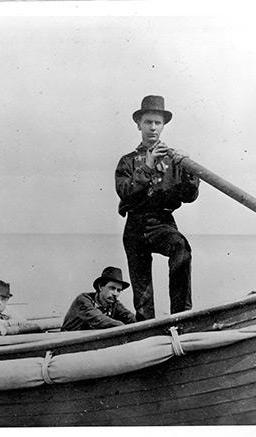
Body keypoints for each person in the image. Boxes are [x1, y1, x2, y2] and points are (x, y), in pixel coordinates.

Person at [115, 95, 199, 321]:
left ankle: (181, 319)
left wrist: (189, 170)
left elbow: (189, 196)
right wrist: (148, 166)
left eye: (157, 123)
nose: (152, 127)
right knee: (142, 294)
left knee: (181, 248)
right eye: (148, 122)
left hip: (161, 223)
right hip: (134, 225)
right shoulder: (127, 161)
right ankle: (146, 332)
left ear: (163, 126)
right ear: (138, 125)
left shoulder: (174, 160)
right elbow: (125, 192)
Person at [62, 266, 136, 331]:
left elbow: (129, 316)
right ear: (100, 287)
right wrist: (122, 326)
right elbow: (98, 319)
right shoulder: (83, 300)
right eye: (112, 288)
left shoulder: (114, 304)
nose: (115, 293)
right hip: (68, 342)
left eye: (119, 290)